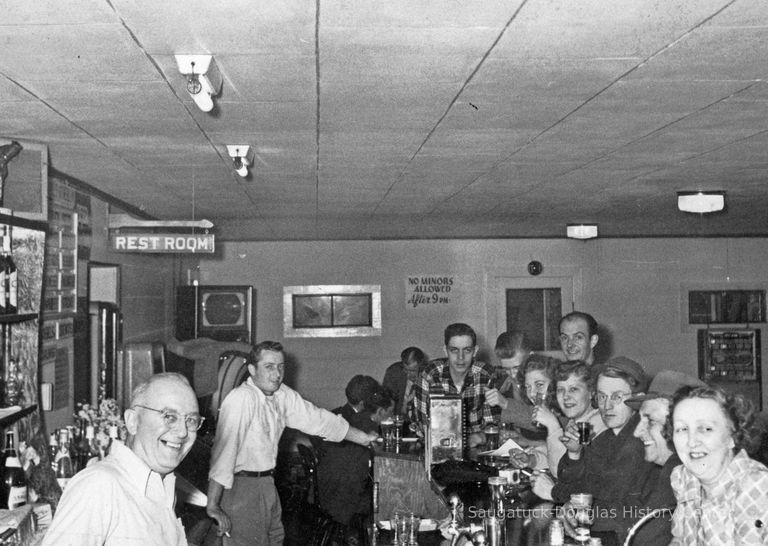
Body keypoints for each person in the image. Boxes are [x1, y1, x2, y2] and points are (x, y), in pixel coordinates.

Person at [205, 341, 379, 545]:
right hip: (241, 487)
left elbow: (320, 420)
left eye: (280, 366)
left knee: (275, 540)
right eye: (269, 367)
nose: (276, 374)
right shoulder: (241, 399)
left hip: (268, 483)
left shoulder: (281, 394)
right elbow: (223, 454)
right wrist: (213, 505)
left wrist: (364, 438)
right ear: (252, 370)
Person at [42, 373, 201, 546]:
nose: (183, 432)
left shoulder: (162, 484)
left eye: (191, 420)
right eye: (170, 417)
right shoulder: (99, 485)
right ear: (132, 421)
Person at [537, 357, 651, 545]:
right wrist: (574, 454)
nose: (607, 406)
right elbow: (580, 487)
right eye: (602, 396)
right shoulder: (608, 438)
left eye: (616, 397)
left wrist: (558, 496)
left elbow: (613, 508)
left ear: (637, 400)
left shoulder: (637, 442)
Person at [613, 370, 706, 545]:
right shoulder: (658, 469)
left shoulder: (686, 472)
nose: (637, 432)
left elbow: (643, 538)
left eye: (650, 420)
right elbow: (628, 511)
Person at [667, 384, 768, 545]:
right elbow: (679, 539)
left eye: (706, 428)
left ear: (732, 437)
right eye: (682, 429)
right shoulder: (684, 478)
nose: (692, 441)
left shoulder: (756, 485)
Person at [316, 381, 395, 526]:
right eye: (390, 411)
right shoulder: (367, 430)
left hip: (327, 490)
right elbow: (356, 475)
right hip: (340, 498)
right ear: (380, 412)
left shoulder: (354, 422)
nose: (393, 416)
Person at [515, 360, 606, 475]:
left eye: (573, 389)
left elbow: (563, 472)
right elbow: (560, 455)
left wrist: (552, 425)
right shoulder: (576, 421)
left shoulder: (594, 424)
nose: (565, 396)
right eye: (560, 390)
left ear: (591, 393)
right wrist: (531, 459)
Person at [412, 323, 499, 437]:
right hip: (437, 444)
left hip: (476, 448)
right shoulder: (430, 374)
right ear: (445, 350)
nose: (460, 358)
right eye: (454, 350)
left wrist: (477, 438)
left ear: (475, 351)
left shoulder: (486, 375)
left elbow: (492, 426)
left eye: (467, 350)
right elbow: (423, 425)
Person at [382, 346, 427, 415]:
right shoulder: (394, 373)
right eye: (405, 370)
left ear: (422, 366)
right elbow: (385, 401)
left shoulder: (429, 376)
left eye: (412, 371)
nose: (408, 375)